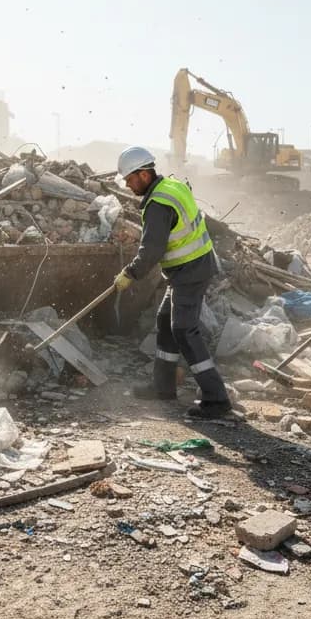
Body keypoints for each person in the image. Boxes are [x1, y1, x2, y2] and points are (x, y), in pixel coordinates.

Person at [113, 146, 231, 418]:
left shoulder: (158, 204)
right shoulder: (170, 186)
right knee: (165, 321)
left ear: (143, 174)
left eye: (130, 179)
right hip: (190, 267)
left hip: (191, 270)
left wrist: (129, 274)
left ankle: (216, 399)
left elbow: (151, 250)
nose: (128, 185)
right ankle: (163, 387)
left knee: (184, 329)